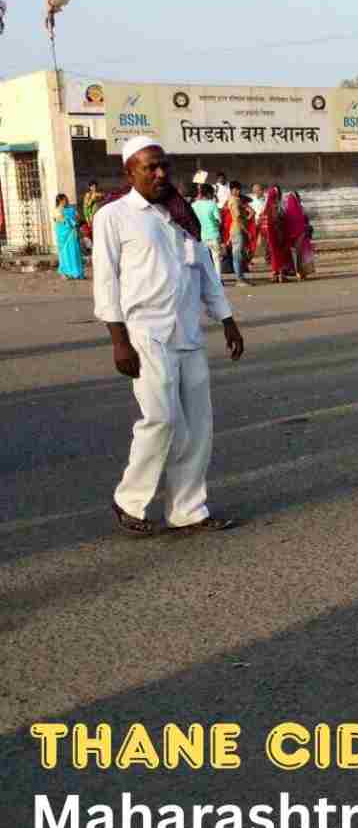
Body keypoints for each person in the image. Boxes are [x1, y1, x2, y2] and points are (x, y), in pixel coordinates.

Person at [92, 136, 244, 536]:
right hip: (145, 334)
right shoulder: (114, 216)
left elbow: (204, 270)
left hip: (187, 333)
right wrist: (118, 340)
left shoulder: (181, 214)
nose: (160, 174)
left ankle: (188, 509)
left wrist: (226, 318)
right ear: (130, 173)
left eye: (164, 166)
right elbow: (106, 282)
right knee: (161, 418)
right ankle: (129, 499)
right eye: (150, 167)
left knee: (198, 425)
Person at [259, 186, 292, 282]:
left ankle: (274, 274)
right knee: (280, 253)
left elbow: (262, 223)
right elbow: (282, 219)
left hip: (269, 236)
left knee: (273, 254)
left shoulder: (266, 208)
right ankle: (281, 275)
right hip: (279, 234)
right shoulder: (278, 206)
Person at [223, 181, 254, 286]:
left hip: (238, 229)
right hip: (237, 229)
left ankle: (241, 278)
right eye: (236, 189)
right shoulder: (234, 201)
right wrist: (246, 230)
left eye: (239, 189)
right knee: (237, 255)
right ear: (231, 190)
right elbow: (237, 218)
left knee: (240, 254)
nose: (238, 191)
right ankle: (239, 280)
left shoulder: (236, 200)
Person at [282, 190, 314, 279]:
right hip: (302, 235)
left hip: (292, 236)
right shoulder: (300, 208)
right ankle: (302, 273)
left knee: (295, 255)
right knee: (301, 255)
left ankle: (297, 272)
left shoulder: (286, 210)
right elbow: (305, 220)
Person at [54, 193, 86, 280]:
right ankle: (65, 273)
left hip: (72, 234)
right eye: (64, 199)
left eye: (66, 199)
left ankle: (76, 273)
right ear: (60, 201)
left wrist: (76, 221)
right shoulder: (57, 210)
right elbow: (60, 220)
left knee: (74, 253)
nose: (66, 201)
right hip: (63, 236)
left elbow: (78, 217)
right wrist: (70, 222)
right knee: (64, 254)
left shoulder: (71, 209)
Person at [191, 183, 222, 266]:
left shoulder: (194, 205)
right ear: (209, 193)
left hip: (201, 237)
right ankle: (218, 279)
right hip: (214, 236)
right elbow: (219, 221)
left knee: (204, 261)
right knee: (217, 260)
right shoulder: (212, 204)